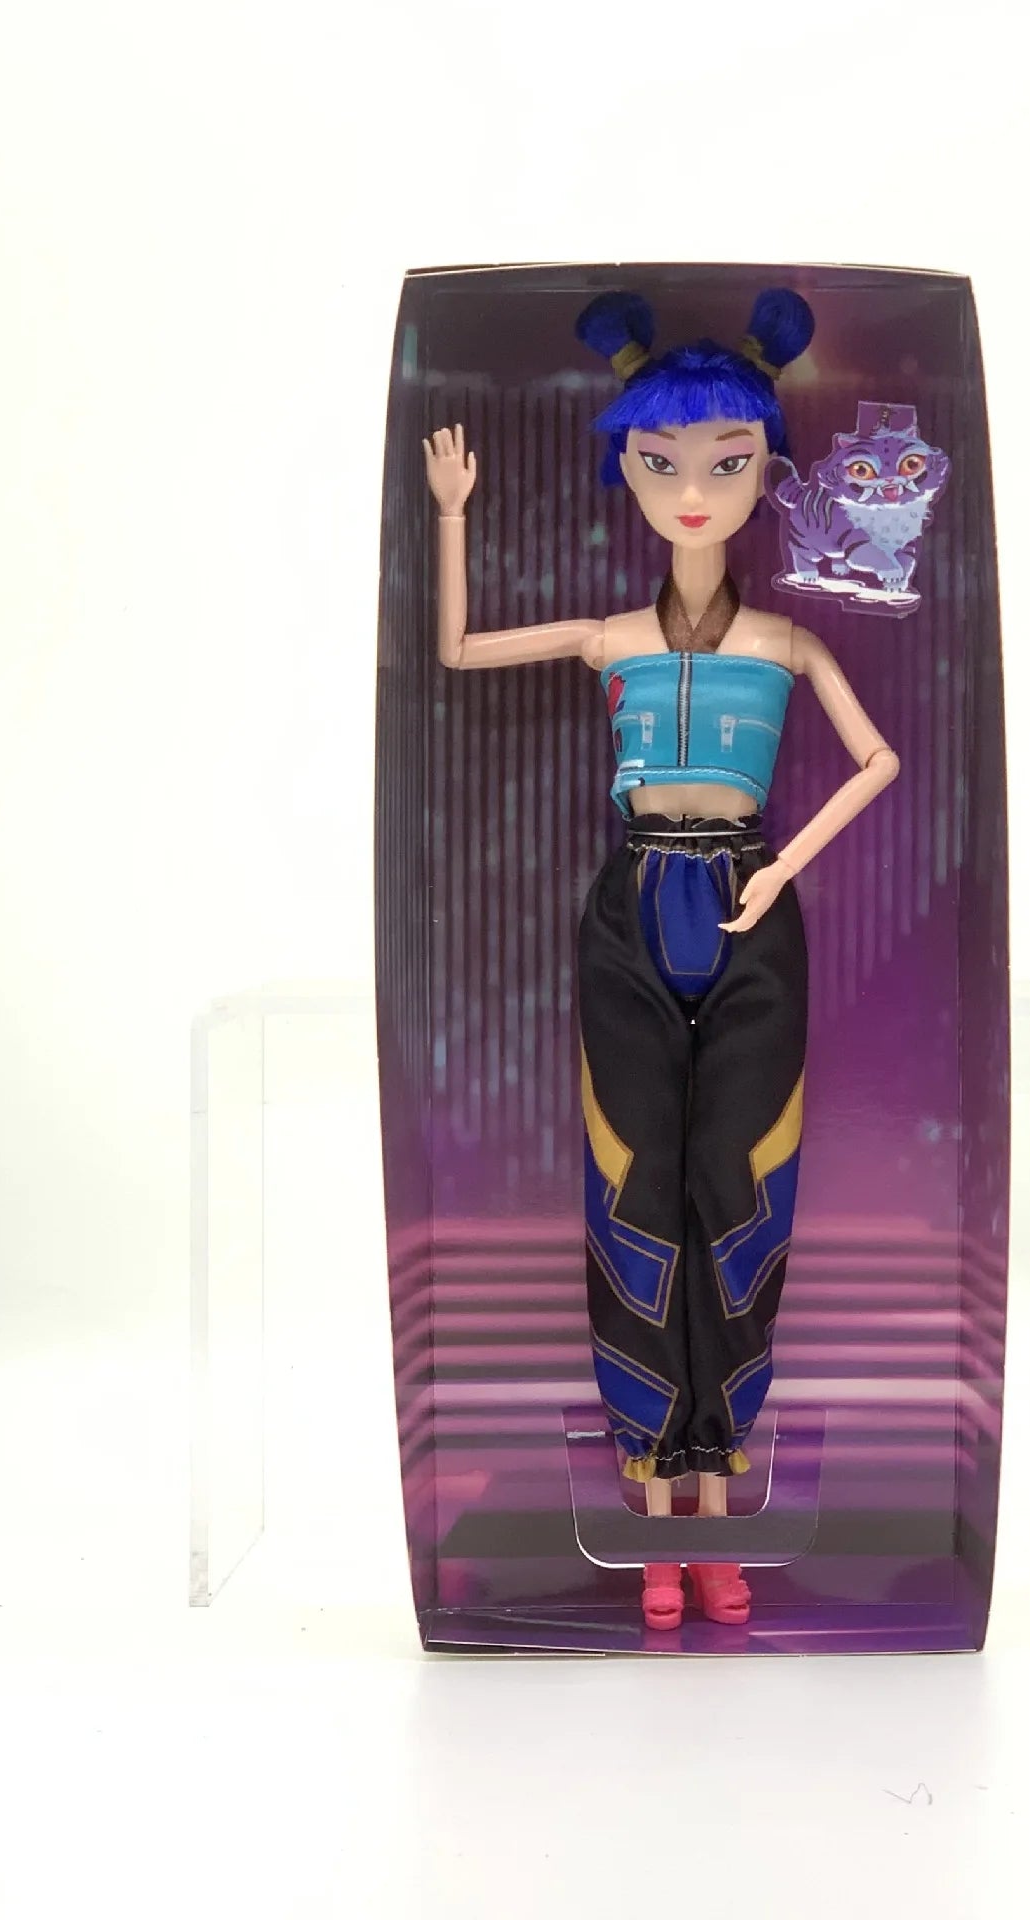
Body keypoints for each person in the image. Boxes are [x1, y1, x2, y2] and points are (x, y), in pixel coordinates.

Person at [422, 287, 898, 1630]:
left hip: (749, 907)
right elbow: (457, 648)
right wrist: (454, 513)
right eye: (660, 463)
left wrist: (782, 871)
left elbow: (878, 761)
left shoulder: (788, 644)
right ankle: (651, 1501)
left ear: (764, 472)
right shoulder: (611, 641)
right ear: (626, 471)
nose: (693, 493)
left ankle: (722, 1499)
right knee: (631, 1186)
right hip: (633, 910)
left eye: (727, 464)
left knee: (741, 1189)